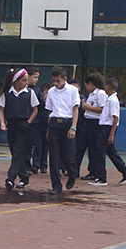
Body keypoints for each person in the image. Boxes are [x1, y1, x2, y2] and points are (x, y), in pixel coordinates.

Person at [0, 68, 39, 190]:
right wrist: (2, 123)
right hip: (12, 125)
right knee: (15, 152)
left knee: (18, 151)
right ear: (16, 81)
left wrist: (28, 122)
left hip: (24, 125)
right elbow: (1, 109)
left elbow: (35, 109)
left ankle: (10, 178)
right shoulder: (7, 93)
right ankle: (24, 177)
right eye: (23, 80)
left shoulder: (29, 93)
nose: (26, 83)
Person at [45, 66, 81, 196]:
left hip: (67, 123)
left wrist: (73, 127)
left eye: (58, 81)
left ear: (64, 79)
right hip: (54, 123)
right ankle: (56, 186)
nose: (55, 83)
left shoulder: (72, 90)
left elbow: (75, 109)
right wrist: (48, 129)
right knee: (54, 157)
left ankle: (72, 174)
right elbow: (50, 110)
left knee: (68, 156)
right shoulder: (51, 91)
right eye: (53, 80)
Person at [100, 77, 126, 185]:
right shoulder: (109, 99)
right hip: (105, 127)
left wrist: (111, 134)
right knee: (111, 152)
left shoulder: (113, 100)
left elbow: (115, 118)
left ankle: (101, 178)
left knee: (100, 152)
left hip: (108, 128)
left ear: (108, 87)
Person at [76, 73, 108, 181]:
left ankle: (93, 171)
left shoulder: (100, 94)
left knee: (93, 148)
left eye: (87, 85)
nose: (86, 87)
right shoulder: (91, 94)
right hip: (87, 121)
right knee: (80, 145)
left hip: (95, 122)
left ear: (91, 83)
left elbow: (103, 109)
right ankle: (74, 169)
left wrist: (87, 107)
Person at [27, 67, 49, 174]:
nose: (36, 80)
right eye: (35, 77)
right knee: (35, 145)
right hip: (28, 121)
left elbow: (42, 106)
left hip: (37, 122)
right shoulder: (24, 89)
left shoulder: (36, 90)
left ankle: (42, 165)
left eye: (37, 77)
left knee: (42, 145)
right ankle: (32, 164)